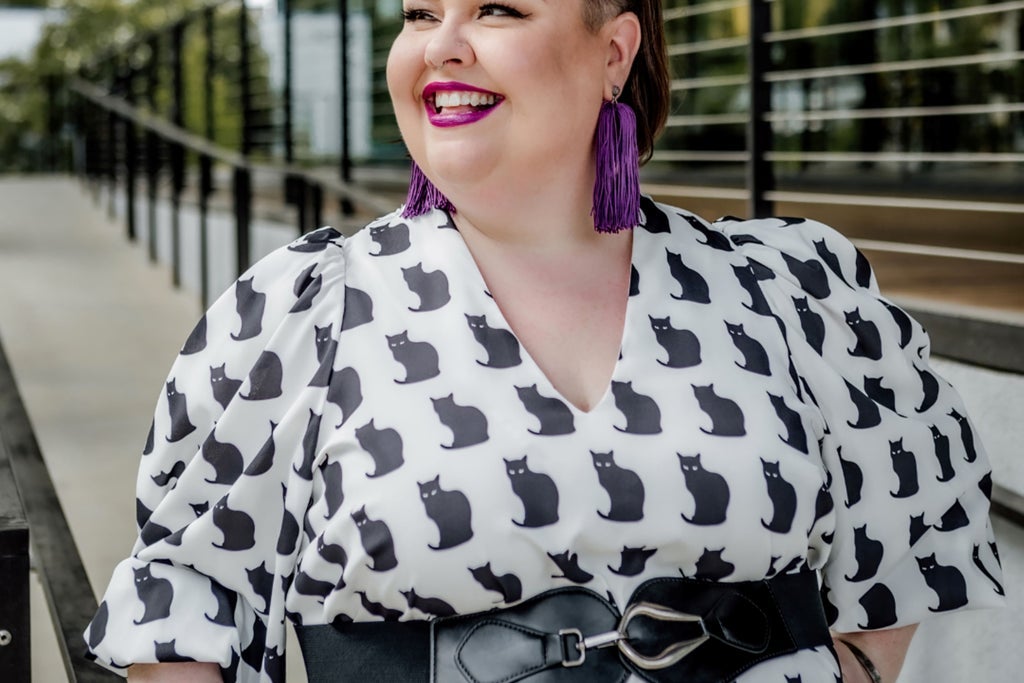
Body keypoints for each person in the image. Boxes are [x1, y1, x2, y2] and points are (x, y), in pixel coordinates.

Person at [85, 1, 1005, 681]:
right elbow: (188, 594)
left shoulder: (787, 287)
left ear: (615, 51)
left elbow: (911, 521)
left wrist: (856, 671)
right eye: (418, 14)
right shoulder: (309, 310)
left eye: (496, 9)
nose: (443, 44)